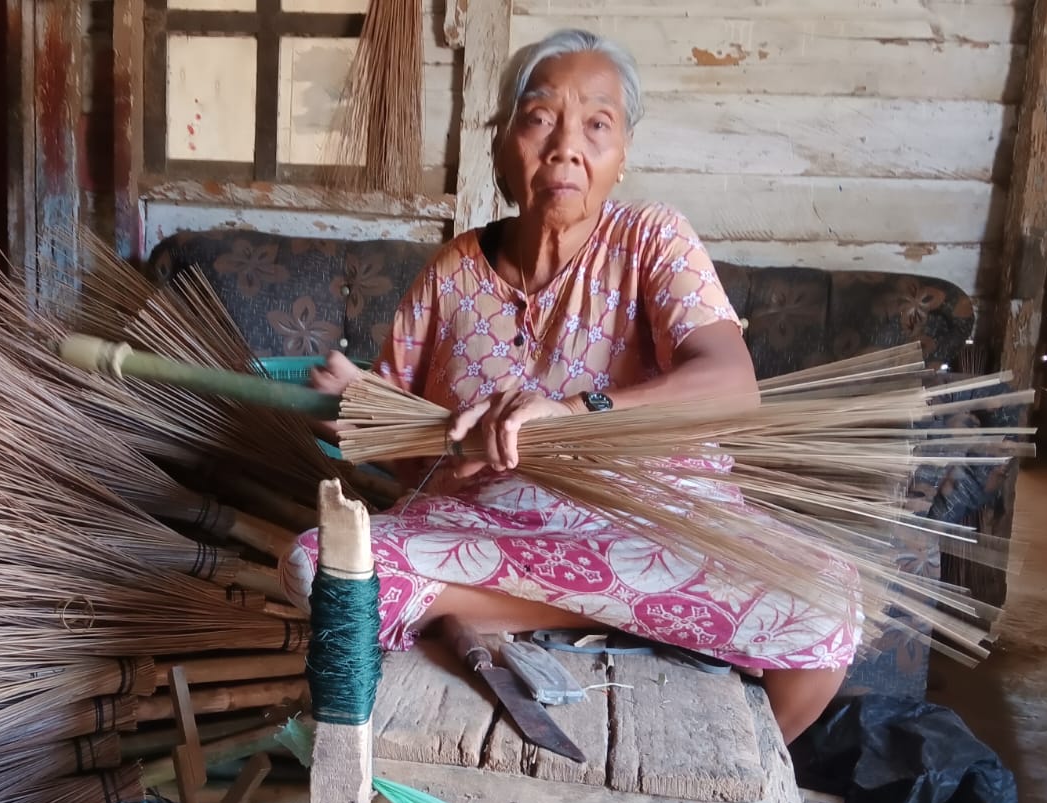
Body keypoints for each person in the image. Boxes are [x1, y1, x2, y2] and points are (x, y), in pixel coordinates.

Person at [280, 28, 858, 743]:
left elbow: (732, 387)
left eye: (596, 124)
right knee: (318, 567)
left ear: (622, 158)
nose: (565, 146)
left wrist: (579, 414)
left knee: (827, 605)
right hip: (495, 532)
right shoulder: (451, 274)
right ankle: (615, 610)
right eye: (540, 118)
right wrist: (363, 415)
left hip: (653, 526)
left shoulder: (652, 239)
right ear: (502, 148)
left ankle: (555, 620)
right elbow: (413, 460)